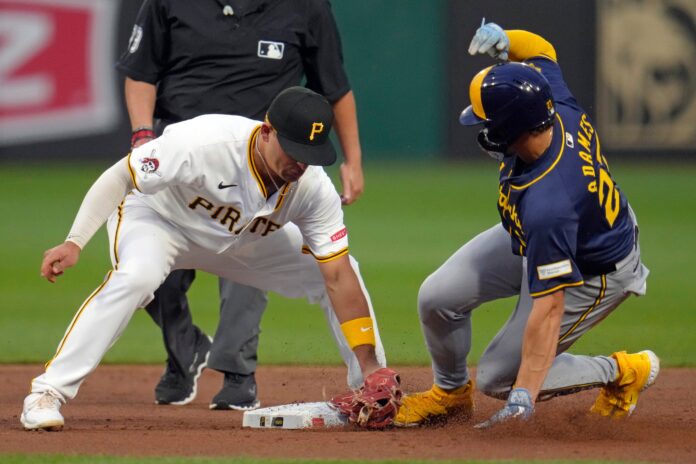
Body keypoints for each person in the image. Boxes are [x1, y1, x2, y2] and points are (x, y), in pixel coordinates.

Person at [20, 87, 389, 431]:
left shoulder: (311, 188)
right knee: (136, 277)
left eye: (309, 156)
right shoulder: (205, 142)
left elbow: (338, 276)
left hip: (244, 240)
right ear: (266, 131)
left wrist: (369, 363)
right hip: (160, 221)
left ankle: (372, 390)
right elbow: (121, 175)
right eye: (293, 150)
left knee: (341, 269)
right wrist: (75, 241)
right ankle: (47, 393)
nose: (300, 164)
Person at [394, 22, 659, 428]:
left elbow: (550, 307)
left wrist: (523, 395)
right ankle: (450, 394)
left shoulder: (550, 202)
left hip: (593, 269)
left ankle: (623, 370)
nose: (481, 129)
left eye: (486, 121)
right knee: (437, 298)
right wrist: (508, 39)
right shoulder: (551, 102)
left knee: (500, 377)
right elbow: (543, 50)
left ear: (510, 128)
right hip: (543, 236)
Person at [116, 0, 366, 410]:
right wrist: (143, 134)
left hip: (262, 162)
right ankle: (185, 346)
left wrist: (353, 160)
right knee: (146, 271)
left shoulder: (306, 7)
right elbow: (141, 73)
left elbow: (335, 87)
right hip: (182, 156)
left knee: (247, 266)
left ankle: (237, 372)